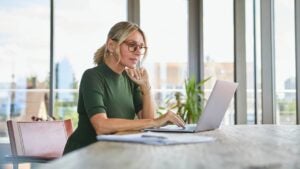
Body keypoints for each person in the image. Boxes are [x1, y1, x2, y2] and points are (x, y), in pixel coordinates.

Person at [63, 21, 185, 154]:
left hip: (113, 152)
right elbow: (101, 126)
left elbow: (147, 121)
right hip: (84, 154)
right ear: (111, 45)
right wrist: (156, 122)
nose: (138, 52)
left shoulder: (129, 79)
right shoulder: (92, 76)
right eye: (132, 45)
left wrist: (145, 87)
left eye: (141, 47)